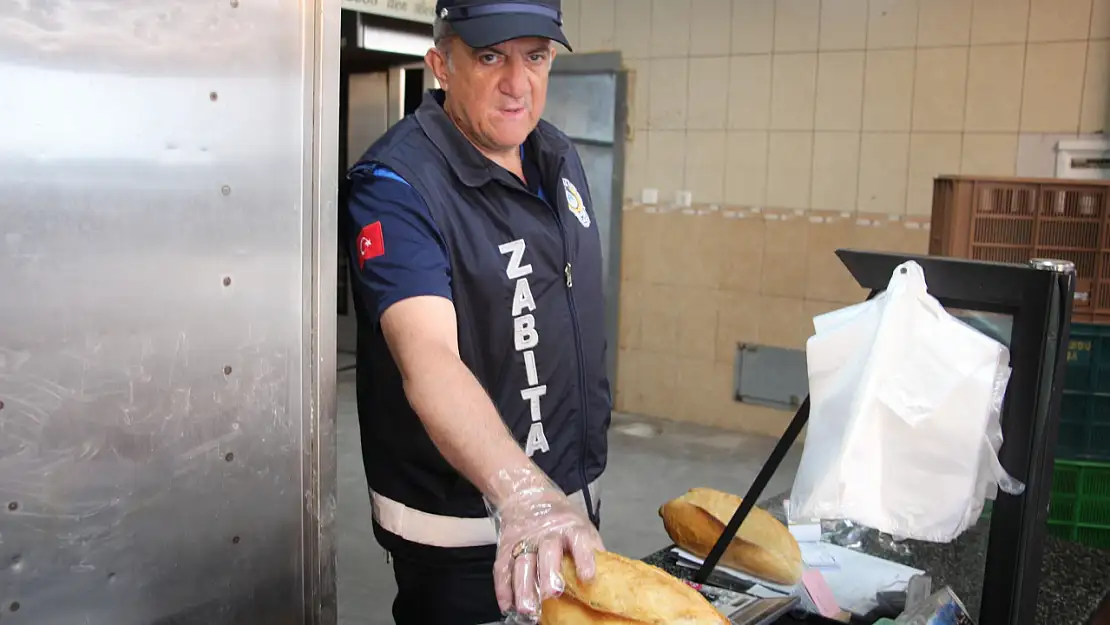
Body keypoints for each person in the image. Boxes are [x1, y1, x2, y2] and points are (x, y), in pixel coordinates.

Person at [341, 1, 613, 623]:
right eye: (491, 57)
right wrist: (522, 493)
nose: (518, 83)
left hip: (567, 518)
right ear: (441, 64)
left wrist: (557, 505)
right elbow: (427, 358)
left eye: (536, 57)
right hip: (461, 540)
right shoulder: (397, 184)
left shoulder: (556, 156)